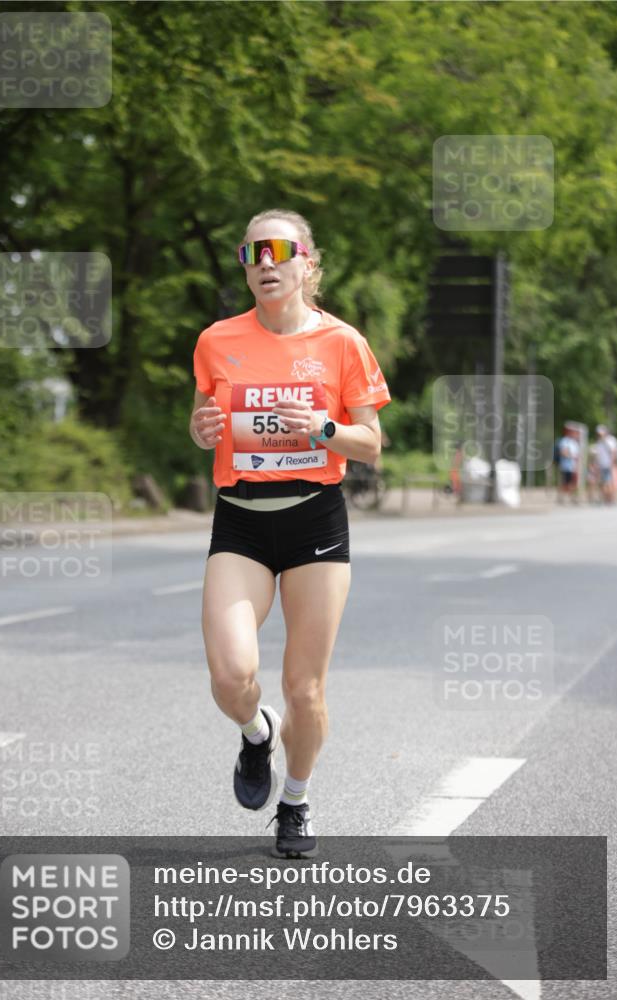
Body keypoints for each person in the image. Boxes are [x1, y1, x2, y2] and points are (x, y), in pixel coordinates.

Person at [189, 209, 391, 858]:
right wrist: (201, 430)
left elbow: (371, 444)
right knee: (229, 675)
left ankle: (296, 801)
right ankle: (255, 734)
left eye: (279, 251)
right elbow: (203, 417)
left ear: (308, 262)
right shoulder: (216, 340)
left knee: (304, 688)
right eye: (251, 254)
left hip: (314, 520)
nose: (265, 263)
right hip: (240, 517)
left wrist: (323, 430)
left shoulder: (342, 344)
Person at [594, 424, 617, 504]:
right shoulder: (599, 442)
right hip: (602, 465)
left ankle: (610, 499)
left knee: (609, 482)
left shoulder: (610, 440)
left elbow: (613, 452)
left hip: (609, 465)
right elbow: (598, 454)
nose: (599, 434)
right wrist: (597, 464)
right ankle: (606, 498)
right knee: (604, 482)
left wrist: (612, 464)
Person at [556, 425, 580, 504]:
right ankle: (561, 497)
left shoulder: (574, 442)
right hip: (565, 466)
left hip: (573, 466)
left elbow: (577, 455)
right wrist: (570, 455)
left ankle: (573, 498)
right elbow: (563, 452)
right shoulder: (564, 441)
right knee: (564, 483)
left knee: (573, 483)